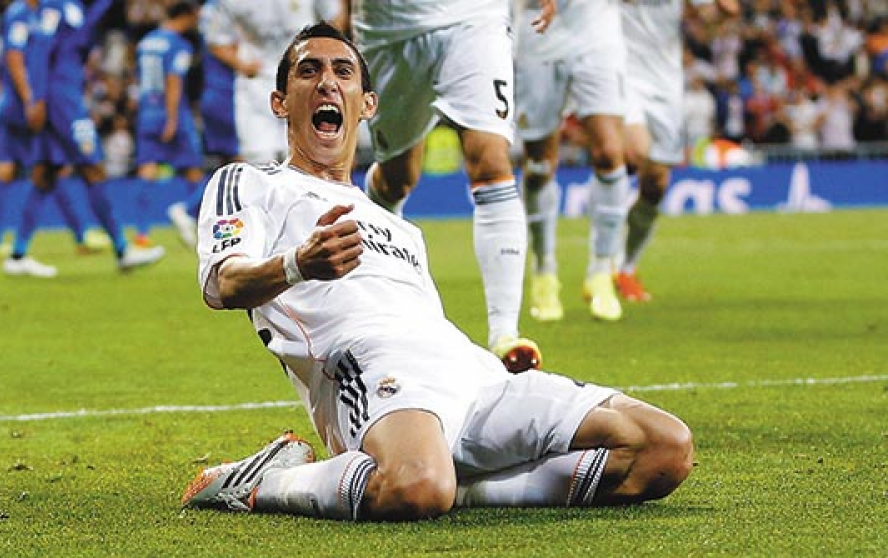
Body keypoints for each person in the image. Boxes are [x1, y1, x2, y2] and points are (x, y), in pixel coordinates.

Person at [180, 22, 693, 522]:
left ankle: (451, 483)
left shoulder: (399, 228)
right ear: (280, 102)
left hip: (472, 372)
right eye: (308, 71)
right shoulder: (250, 182)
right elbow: (224, 283)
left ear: (368, 104)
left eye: (343, 71)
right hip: (372, 370)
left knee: (663, 448)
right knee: (417, 487)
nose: (327, 83)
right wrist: (297, 264)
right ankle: (264, 481)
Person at [349, 0, 554, 372]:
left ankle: (505, 336)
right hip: (389, 27)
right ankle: (379, 289)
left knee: (491, 161)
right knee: (396, 178)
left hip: (473, 17)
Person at [4, 0, 165, 278]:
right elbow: (41, 48)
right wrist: (36, 98)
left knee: (45, 173)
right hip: (60, 99)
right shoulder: (55, 6)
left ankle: (18, 254)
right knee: (93, 166)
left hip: (64, 93)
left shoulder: (75, 7)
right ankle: (122, 249)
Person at [167, 0, 345, 249]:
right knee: (258, 166)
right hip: (254, 88)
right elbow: (217, 40)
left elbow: (335, 18)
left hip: (305, 83)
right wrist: (242, 64)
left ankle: (306, 232)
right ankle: (257, 241)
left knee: (307, 161)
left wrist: (326, 60)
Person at [516, 0, 631, 323]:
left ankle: (602, 270)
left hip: (596, 32)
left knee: (609, 152)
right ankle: (544, 268)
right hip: (539, 29)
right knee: (539, 164)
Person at [616, 0, 740, 302]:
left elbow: (707, 24)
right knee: (634, 152)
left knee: (656, 184)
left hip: (666, 88)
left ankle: (626, 268)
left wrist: (719, 13)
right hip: (620, 75)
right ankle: (602, 259)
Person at [0, 0, 110, 268]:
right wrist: (30, 98)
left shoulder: (40, 13)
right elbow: (14, 56)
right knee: (27, 168)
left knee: (49, 168)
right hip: (27, 106)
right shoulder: (20, 14)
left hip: (31, 102)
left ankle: (7, 244)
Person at [134, 0, 204, 249]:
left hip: (147, 111)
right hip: (173, 113)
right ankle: (192, 217)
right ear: (186, 16)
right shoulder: (179, 45)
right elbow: (173, 80)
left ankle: (141, 232)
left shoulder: (146, 42)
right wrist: (172, 118)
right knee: (194, 170)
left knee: (147, 169)